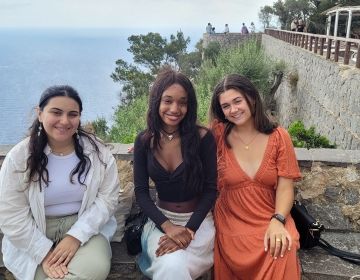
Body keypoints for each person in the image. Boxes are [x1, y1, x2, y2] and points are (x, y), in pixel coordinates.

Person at [0, 85, 120, 280]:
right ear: (40, 114)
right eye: (56, 112)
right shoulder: (19, 158)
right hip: (34, 230)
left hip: (85, 225)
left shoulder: (98, 153)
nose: (64, 121)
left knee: (94, 268)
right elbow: (10, 215)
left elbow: (108, 199)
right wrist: (43, 253)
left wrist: (75, 236)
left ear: (79, 118)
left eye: (72, 114)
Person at [209, 74, 301, 280]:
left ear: (251, 98)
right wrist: (152, 142)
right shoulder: (218, 136)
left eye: (237, 101)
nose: (233, 110)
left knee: (283, 249)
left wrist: (278, 220)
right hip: (233, 220)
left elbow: (286, 187)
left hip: (271, 215)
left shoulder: (279, 137)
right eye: (225, 106)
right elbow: (186, 140)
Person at [134, 68, 217, 280]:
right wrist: (168, 227)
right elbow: (141, 193)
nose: (175, 108)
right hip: (160, 222)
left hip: (198, 223)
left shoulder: (203, 138)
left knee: (174, 267)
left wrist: (189, 230)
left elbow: (210, 190)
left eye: (182, 102)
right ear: (156, 103)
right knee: (172, 265)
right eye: (168, 101)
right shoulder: (144, 141)